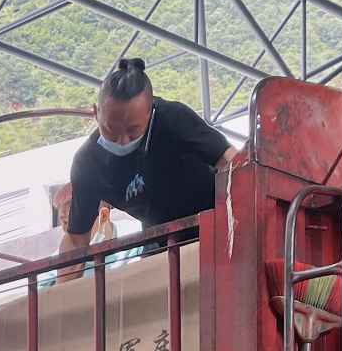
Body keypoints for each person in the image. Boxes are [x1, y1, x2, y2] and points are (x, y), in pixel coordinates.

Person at [60, 57, 234, 269]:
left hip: (218, 221)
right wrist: (62, 287)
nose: (122, 141)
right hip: (162, 241)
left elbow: (230, 160)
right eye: (110, 130)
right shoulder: (88, 165)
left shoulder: (173, 118)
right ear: (96, 113)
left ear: (150, 112)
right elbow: (77, 239)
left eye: (133, 131)